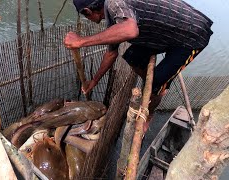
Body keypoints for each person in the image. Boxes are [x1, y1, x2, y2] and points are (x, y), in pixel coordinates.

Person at [64, 0, 213, 133]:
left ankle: (151, 106)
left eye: (86, 16)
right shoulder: (114, 17)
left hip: (191, 36)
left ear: (88, 11)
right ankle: (155, 87)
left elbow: (130, 30)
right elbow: (111, 54)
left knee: (156, 83)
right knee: (132, 56)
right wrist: (94, 81)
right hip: (163, 34)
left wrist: (81, 41)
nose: (88, 19)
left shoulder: (115, 3)